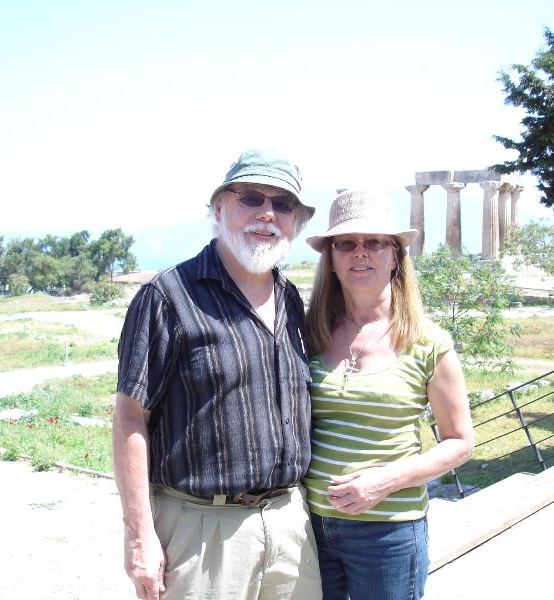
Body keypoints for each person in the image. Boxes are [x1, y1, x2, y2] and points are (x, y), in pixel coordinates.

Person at [112, 148, 323, 600]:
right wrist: (139, 536)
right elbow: (130, 418)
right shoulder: (167, 297)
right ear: (218, 209)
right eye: (250, 198)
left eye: (283, 204)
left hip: (290, 525)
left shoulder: (291, 299)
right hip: (202, 531)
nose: (267, 213)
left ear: (297, 222)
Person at [302, 190, 475, 600]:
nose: (360, 252)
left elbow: (460, 442)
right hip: (310, 528)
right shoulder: (309, 334)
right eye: (346, 243)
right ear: (331, 258)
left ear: (396, 256)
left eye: (375, 242)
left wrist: (384, 481)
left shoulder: (428, 342)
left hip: (388, 533)